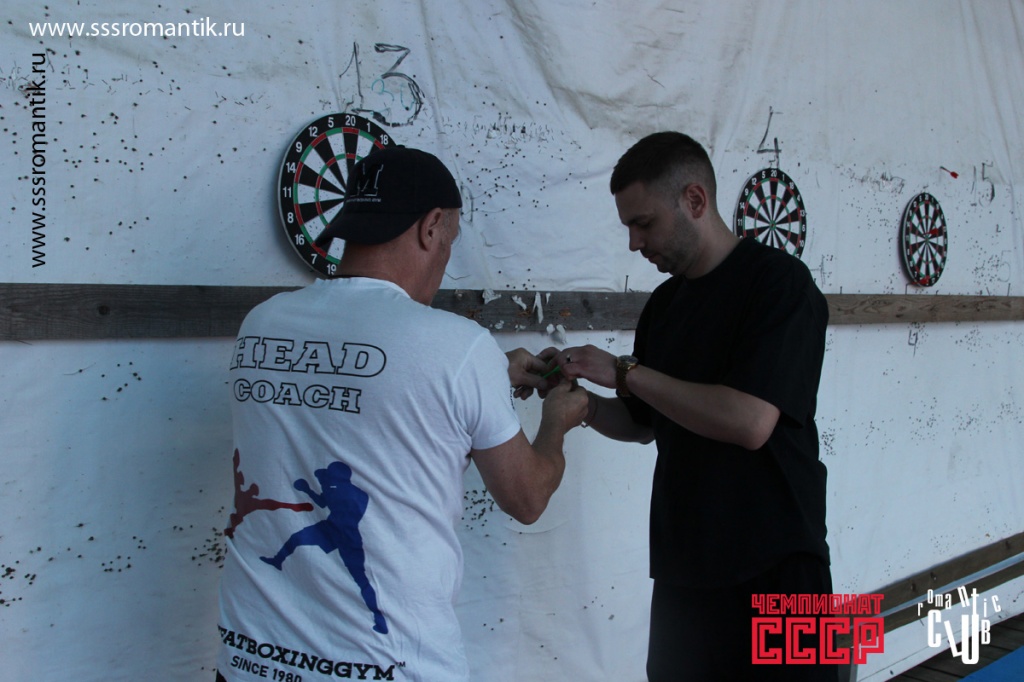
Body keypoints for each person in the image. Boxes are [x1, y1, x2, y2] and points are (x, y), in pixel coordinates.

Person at [215, 145, 588, 682]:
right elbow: (526, 498)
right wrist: (556, 421)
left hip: (253, 662)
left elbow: (360, 394)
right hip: (386, 669)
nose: (445, 257)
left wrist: (489, 378)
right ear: (431, 227)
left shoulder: (262, 323)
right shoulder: (457, 346)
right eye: (450, 240)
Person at [545, 132, 834, 681]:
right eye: (628, 227)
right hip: (686, 568)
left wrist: (624, 371)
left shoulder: (780, 285)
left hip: (780, 566)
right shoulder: (665, 305)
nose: (634, 242)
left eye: (644, 223)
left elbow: (750, 422)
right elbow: (643, 423)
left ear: (695, 200)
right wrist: (582, 402)